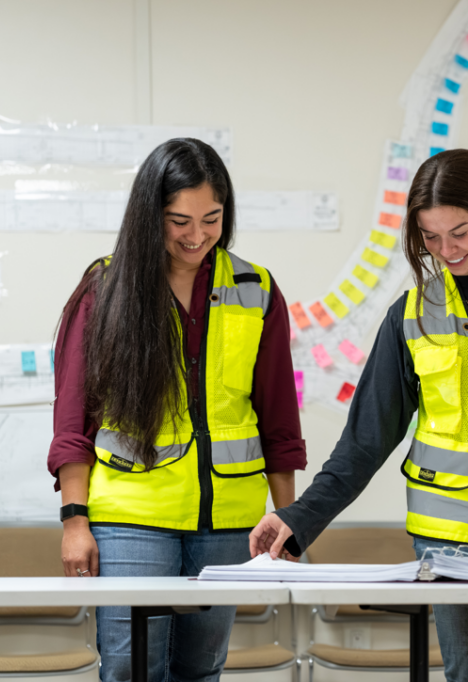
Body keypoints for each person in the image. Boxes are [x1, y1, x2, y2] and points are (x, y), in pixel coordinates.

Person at [250, 148, 468, 681]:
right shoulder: (410, 315)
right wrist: (298, 520)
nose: (446, 250)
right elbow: (366, 439)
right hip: (447, 538)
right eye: (430, 238)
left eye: (459, 232)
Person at [48, 138, 307, 682]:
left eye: (211, 219)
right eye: (178, 221)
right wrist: (75, 521)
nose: (196, 236)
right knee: (129, 669)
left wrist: (289, 520)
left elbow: (279, 419)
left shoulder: (256, 289)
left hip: (229, 521)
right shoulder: (106, 286)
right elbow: (76, 417)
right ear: (150, 215)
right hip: (131, 520)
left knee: (200, 670)